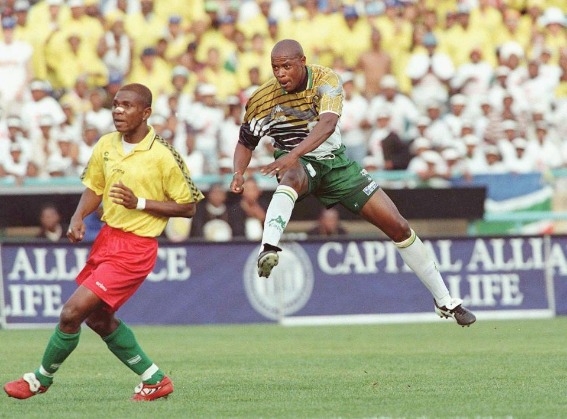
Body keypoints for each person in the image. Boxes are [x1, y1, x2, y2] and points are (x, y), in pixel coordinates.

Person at [230, 39, 476, 327]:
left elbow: (327, 125)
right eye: (275, 68)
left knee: (398, 226)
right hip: (298, 164)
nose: (281, 73)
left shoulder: (326, 80)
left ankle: (444, 300)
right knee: (292, 175)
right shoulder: (263, 98)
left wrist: (292, 154)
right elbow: (245, 141)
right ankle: (269, 248)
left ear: (302, 61)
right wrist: (238, 172)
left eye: (286, 66)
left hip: (336, 164)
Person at [4, 83, 204, 401]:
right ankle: (155, 379)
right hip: (108, 239)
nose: (118, 111)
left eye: (127, 106)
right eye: (115, 105)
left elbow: (188, 206)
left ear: (146, 113)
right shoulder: (106, 144)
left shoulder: (163, 154)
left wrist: (139, 203)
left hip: (136, 247)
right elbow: (95, 187)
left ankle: (39, 379)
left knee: (72, 313)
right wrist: (78, 216)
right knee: (98, 319)